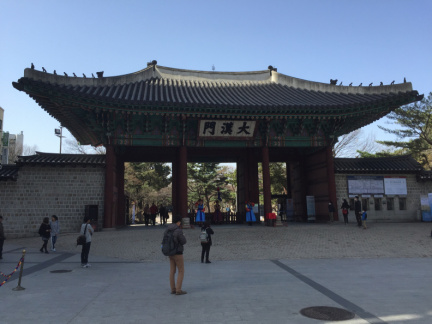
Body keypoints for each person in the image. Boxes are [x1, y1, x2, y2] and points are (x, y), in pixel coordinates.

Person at [165, 215, 187, 295]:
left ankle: (173, 289)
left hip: (170, 252)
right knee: (181, 270)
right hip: (178, 252)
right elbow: (183, 241)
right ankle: (178, 289)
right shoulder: (178, 230)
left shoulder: (167, 229)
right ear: (178, 222)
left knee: (172, 271)